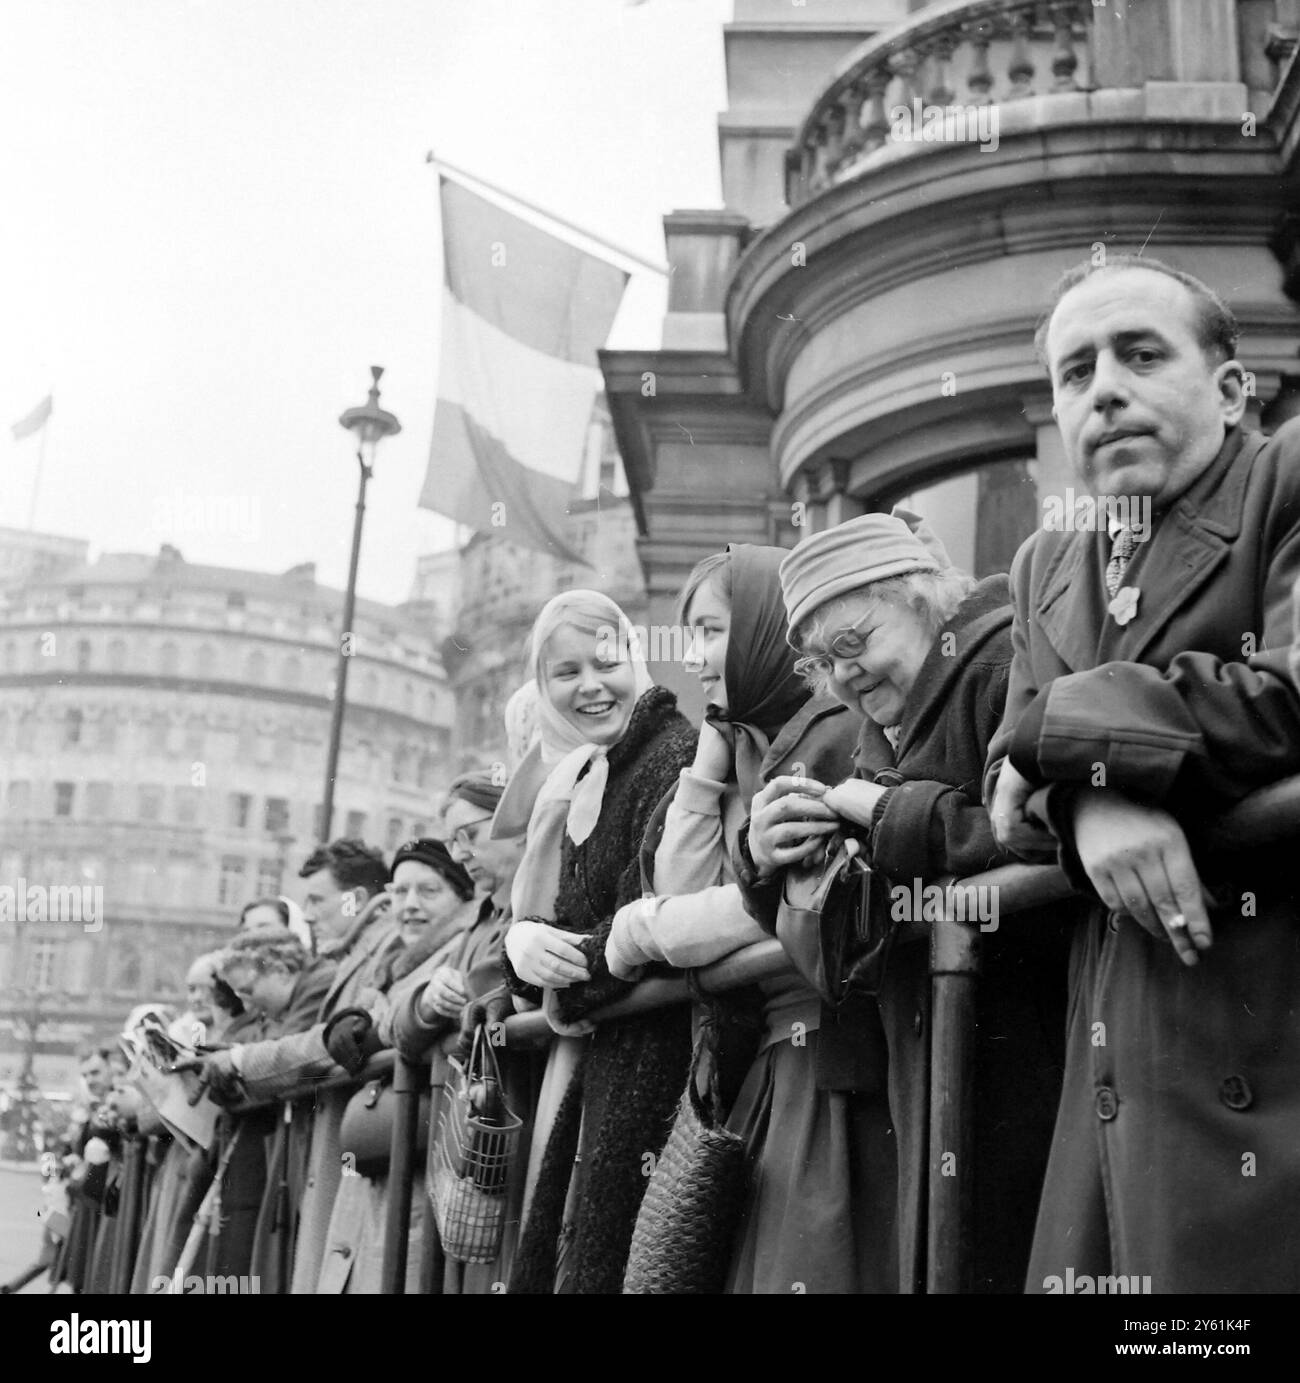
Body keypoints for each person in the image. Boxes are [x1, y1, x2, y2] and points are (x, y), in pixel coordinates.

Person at [985, 254, 1300, 1294]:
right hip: (1114, 1063)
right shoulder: (1044, 566)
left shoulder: (1282, 477)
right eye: (1075, 373)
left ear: (1227, 389)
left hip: (1271, 1028)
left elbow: (1288, 691)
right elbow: (1007, 800)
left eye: (1139, 354)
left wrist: (1066, 748)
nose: (1103, 389)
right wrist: (1085, 800)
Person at [738, 511, 1069, 1293]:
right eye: (822, 662)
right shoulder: (875, 730)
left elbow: (1036, 823)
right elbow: (837, 949)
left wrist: (888, 815)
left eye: (854, 644)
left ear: (922, 599)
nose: (843, 676)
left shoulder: (996, 666)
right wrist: (765, 858)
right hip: (937, 1067)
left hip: (1027, 1045)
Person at [604, 544, 896, 1292]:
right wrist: (706, 765)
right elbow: (683, 881)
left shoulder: (833, 731)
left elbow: (768, 907)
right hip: (773, 1060)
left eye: (712, 632)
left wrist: (645, 927)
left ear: (770, 630)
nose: (697, 658)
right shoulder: (747, 746)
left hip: (828, 1058)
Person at [502, 590, 696, 1294]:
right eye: (565, 672)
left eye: (605, 661)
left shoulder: (673, 752)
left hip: (661, 1058)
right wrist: (522, 945)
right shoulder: (591, 769)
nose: (590, 685)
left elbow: (642, 921)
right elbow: (553, 924)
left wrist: (556, 969)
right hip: (609, 1061)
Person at [186, 840, 392, 1293]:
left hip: (356, 1150)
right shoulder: (347, 959)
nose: (310, 915)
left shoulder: (363, 959)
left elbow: (315, 1054)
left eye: (317, 900)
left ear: (356, 898)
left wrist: (238, 1061)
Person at [315, 838, 476, 1294]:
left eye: (427, 891)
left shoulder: (458, 951)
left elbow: (418, 1013)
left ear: (462, 895)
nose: (408, 905)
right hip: (386, 1156)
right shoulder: (390, 961)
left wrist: (374, 1027)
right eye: (400, 891)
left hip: (430, 1159)